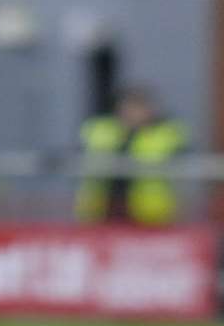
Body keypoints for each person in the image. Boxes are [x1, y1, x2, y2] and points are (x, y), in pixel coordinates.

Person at [74, 87, 187, 225]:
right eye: (129, 107)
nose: (133, 113)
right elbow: (79, 160)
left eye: (139, 107)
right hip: (101, 212)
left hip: (150, 215)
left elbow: (184, 161)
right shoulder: (100, 130)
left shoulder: (167, 134)